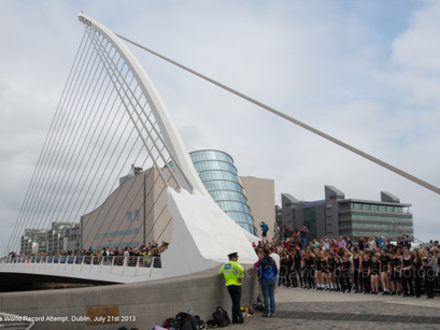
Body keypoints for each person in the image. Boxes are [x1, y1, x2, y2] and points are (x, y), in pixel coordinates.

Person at [220, 252, 244, 324]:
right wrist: (239, 277)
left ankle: (235, 319)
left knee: (234, 302)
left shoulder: (225, 265)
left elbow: (221, 272)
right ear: (232, 258)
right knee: (236, 302)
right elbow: (241, 269)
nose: (237, 258)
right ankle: (239, 317)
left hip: (229, 285)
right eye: (236, 257)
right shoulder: (235, 264)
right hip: (236, 284)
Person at [257, 248, 278, 317]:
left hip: (264, 279)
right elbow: (276, 271)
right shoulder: (272, 260)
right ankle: (273, 312)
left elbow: (260, 270)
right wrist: (273, 276)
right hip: (272, 279)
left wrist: (259, 277)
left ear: (263, 253)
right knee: (272, 296)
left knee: (265, 296)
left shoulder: (262, 261)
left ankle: (266, 312)